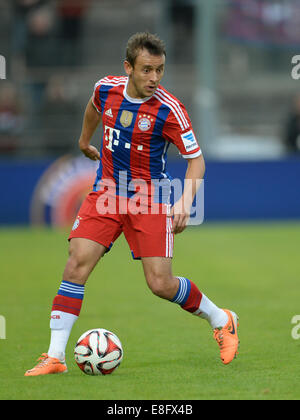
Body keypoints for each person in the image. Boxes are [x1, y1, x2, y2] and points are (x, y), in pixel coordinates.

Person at [25, 32, 239, 376]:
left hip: (149, 199)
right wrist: (83, 140)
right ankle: (55, 357)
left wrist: (185, 202)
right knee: (77, 262)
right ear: (128, 68)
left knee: (160, 284)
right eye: (146, 70)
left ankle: (221, 318)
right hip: (107, 191)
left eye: (160, 70)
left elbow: (196, 160)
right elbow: (94, 108)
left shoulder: (170, 110)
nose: (154, 78)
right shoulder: (106, 88)